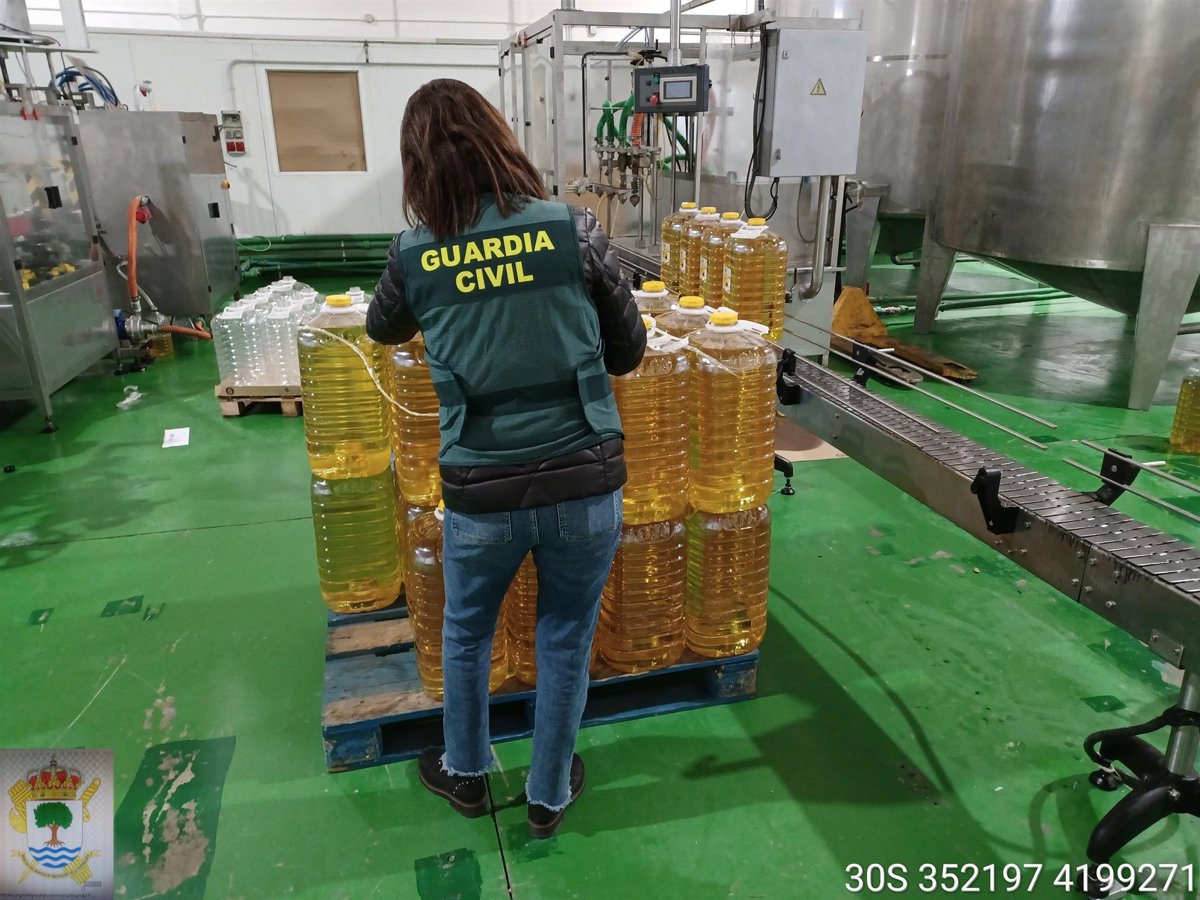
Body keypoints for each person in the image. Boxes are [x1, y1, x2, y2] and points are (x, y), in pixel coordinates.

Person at [366, 78, 646, 838]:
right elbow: (629, 351)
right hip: (584, 481)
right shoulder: (572, 230)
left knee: (466, 633)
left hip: (480, 491)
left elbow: (382, 329)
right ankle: (548, 794)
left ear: (417, 165)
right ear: (499, 139)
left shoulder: (414, 254)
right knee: (566, 636)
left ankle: (465, 773)